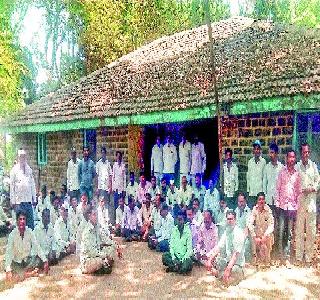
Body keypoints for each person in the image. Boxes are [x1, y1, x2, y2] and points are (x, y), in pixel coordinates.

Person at [5, 210, 49, 281]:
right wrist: (8, 269)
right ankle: (31, 273)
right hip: (17, 262)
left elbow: (37, 246)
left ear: (26, 221)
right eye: (20, 219)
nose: (22, 221)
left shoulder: (30, 232)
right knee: (14, 277)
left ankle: (26, 273)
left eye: (24, 219)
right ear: (17, 221)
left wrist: (45, 261)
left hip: (27, 261)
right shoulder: (12, 235)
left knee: (38, 259)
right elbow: (8, 253)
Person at [295, 143, 320, 266]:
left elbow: (318, 181)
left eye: (308, 152)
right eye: (304, 152)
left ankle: (309, 257)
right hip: (300, 203)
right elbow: (293, 183)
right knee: (299, 230)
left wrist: (312, 189)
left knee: (311, 230)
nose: (306, 154)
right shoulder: (297, 167)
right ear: (301, 153)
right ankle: (299, 257)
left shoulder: (313, 166)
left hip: (311, 202)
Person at [275, 149, 301, 264]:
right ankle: (280, 256)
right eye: (289, 157)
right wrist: (277, 204)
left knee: (289, 233)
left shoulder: (297, 174)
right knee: (280, 231)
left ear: (295, 159)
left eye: (293, 157)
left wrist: (296, 206)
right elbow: (277, 189)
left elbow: (298, 191)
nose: (291, 159)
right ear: (286, 158)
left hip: (291, 208)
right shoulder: (281, 172)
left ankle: (287, 257)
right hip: (281, 206)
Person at [207, 210, 245, 285]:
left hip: (236, 264)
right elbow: (219, 247)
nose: (229, 221)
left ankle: (223, 275)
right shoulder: (227, 231)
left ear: (235, 220)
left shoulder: (239, 233)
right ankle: (222, 275)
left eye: (231, 219)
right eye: (228, 219)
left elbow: (235, 255)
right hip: (227, 261)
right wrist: (210, 260)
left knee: (233, 271)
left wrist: (228, 269)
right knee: (216, 261)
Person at [80, 206, 114, 274]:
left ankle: (102, 266)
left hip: (97, 254)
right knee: (101, 260)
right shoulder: (87, 232)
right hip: (88, 259)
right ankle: (102, 265)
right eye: (94, 214)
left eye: (97, 214)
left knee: (111, 248)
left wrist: (115, 246)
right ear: (89, 216)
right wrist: (105, 255)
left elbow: (105, 239)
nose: (97, 217)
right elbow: (91, 252)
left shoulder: (97, 226)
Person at [10, 149, 36, 229]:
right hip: (19, 202)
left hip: (28, 202)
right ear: (18, 158)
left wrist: (34, 199)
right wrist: (13, 201)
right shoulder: (14, 171)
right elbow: (12, 186)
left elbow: (32, 185)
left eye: (24, 156)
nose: (23, 158)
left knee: (30, 225)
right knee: (20, 226)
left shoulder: (29, 170)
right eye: (21, 157)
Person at [263, 143, 283, 243]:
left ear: (276, 153)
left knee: (277, 224)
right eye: (269, 153)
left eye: (272, 153)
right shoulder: (267, 167)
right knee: (269, 224)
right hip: (269, 200)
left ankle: (277, 246)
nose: (270, 155)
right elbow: (264, 184)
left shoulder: (281, 168)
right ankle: (269, 246)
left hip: (278, 202)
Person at [162, 210, 193, 274]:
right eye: (178, 219)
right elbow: (171, 246)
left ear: (184, 220)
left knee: (188, 264)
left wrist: (182, 260)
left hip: (184, 258)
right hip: (175, 257)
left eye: (180, 219)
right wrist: (173, 258)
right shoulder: (174, 230)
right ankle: (178, 268)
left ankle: (174, 267)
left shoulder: (188, 232)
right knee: (165, 256)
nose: (179, 222)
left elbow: (189, 249)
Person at [248, 192, 274, 267]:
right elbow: (250, 223)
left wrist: (265, 236)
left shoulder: (268, 210)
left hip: (266, 235)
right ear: (257, 201)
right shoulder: (254, 210)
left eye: (263, 199)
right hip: (257, 235)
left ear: (265, 201)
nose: (261, 201)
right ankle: (255, 257)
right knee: (252, 237)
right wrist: (255, 236)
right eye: (259, 199)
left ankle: (267, 260)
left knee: (269, 237)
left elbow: (271, 225)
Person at [246, 140, 266, 208]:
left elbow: (264, 177)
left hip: (259, 192)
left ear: (260, 150)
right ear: (253, 150)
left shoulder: (263, 161)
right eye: (255, 149)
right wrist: (248, 190)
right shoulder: (250, 162)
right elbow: (248, 177)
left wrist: (263, 192)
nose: (256, 151)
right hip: (252, 192)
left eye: (258, 149)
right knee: (252, 211)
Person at [234, 192, 252, 262]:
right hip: (236, 235)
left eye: (242, 201)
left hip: (245, 237)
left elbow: (246, 229)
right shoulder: (236, 210)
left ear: (245, 201)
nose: (240, 203)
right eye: (239, 202)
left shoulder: (248, 212)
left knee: (245, 245)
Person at [96, 146, 112, 215]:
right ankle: (101, 218)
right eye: (102, 153)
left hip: (107, 187)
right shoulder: (98, 163)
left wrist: (110, 187)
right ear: (100, 154)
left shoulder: (108, 163)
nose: (103, 154)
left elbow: (110, 175)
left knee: (107, 204)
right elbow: (97, 176)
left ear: (105, 154)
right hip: (101, 187)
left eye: (104, 153)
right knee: (101, 203)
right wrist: (97, 187)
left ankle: (106, 218)